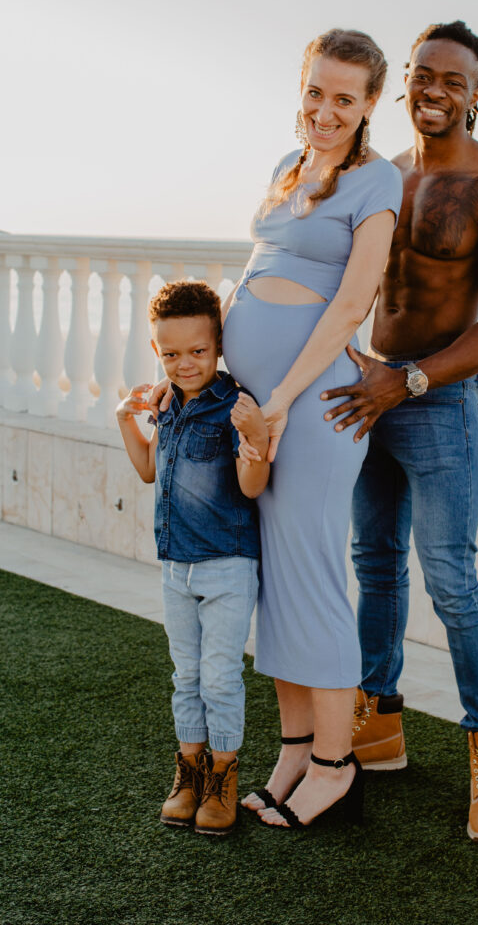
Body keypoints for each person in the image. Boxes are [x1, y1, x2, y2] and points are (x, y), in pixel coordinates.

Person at [321, 20, 478, 844]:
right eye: (422, 75)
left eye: (452, 80)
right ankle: (378, 720)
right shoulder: (383, 175)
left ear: (476, 93)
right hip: (368, 391)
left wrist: (408, 380)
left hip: (435, 401)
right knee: (374, 563)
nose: (433, 91)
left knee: (450, 580)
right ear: (403, 82)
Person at [223, 28, 403, 829]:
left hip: (313, 406)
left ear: (368, 104)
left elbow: (353, 301)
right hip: (261, 404)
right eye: (315, 92)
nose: (324, 111)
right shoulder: (286, 166)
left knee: (315, 582)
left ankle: (336, 764)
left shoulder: (377, 182)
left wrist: (283, 397)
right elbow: (259, 271)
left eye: (343, 99)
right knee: (276, 583)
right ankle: (296, 749)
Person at [116, 280, 270, 837]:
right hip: (175, 566)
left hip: (227, 564)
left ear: (219, 345)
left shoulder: (234, 405)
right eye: (171, 354)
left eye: (198, 351)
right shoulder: (168, 406)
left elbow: (251, 487)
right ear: (156, 351)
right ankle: (189, 772)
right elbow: (148, 471)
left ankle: (222, 776)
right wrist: (124, 419)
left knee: (220, 678)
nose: (184, 364)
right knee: (186, 675)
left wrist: (255, 440)